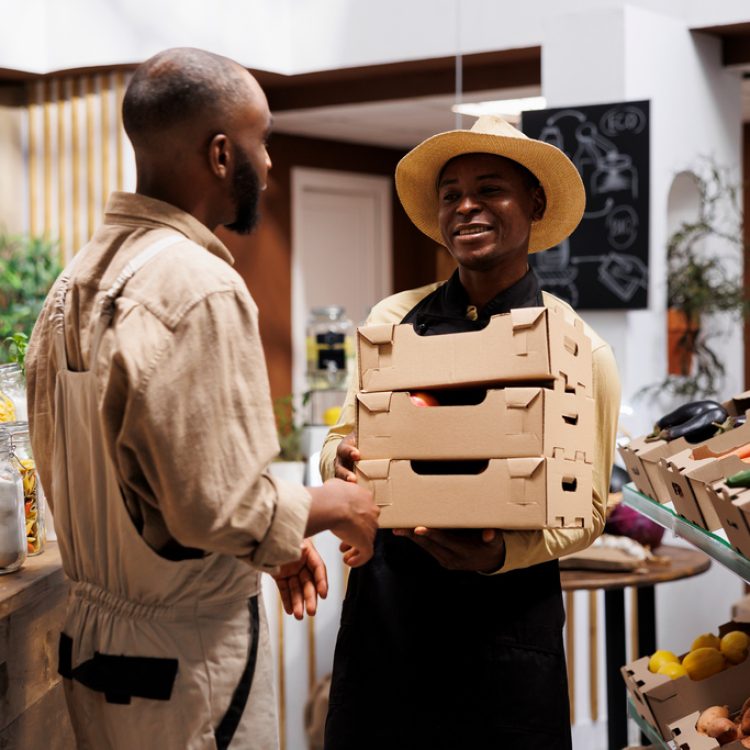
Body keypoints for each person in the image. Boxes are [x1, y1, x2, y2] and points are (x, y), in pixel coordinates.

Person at [26, 47, 379, 750]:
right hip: (186, 667)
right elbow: (219, 509)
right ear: (222, 154)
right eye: (263, 141)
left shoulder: (77, 282)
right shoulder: (197, 287)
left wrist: (266, 546)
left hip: (100, 652)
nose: (271, 165)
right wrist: (343, 505)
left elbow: (146, 481)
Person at [320, 115, 621, 749]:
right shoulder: (394, 320)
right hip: (391, 615)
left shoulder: (579, 350)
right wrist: (339, 463)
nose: (466, 207)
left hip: (506, 625)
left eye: (490, 189)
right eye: (452, 193)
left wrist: (500, 555)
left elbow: (590, 507)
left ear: (533, 203)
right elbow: (342, 439)